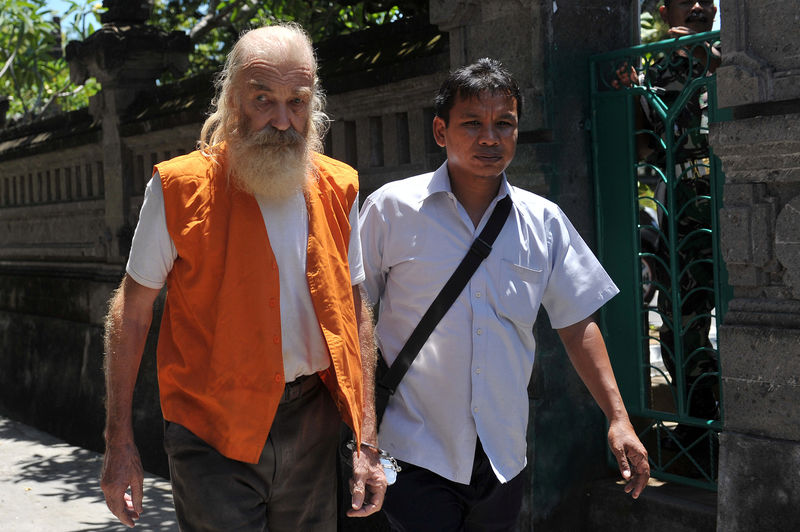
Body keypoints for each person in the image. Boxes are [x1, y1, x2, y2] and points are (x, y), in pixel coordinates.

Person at [100, 22, 386, 531]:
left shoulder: (339, 187)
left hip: (313, 426)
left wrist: (366, 438)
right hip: (210, 429)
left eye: (296, 101)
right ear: (233, 103)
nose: (282, 120)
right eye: (263, 100)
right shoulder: (177, 187)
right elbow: (134, 308)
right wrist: (118, 440)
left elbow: (355, 309)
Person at [359, 58, 650, 531]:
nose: (489, 139)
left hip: (502, 454)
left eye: (504, 124)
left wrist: (618, 418)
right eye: (472, 123)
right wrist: (363, 434)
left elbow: (577, 324)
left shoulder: (544, 221)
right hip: (411, 449)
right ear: (440, 130)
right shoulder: (391, 209)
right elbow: (352, 316)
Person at [640, 0, 721, 448]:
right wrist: (629, 95)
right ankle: (699, 425)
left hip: (734, 203)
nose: (697, 6)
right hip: (683, 213)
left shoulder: (737, 58)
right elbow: (644, 146)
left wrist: (711, 59)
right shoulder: (653, 74)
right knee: (678, 324)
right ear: (662, 7)